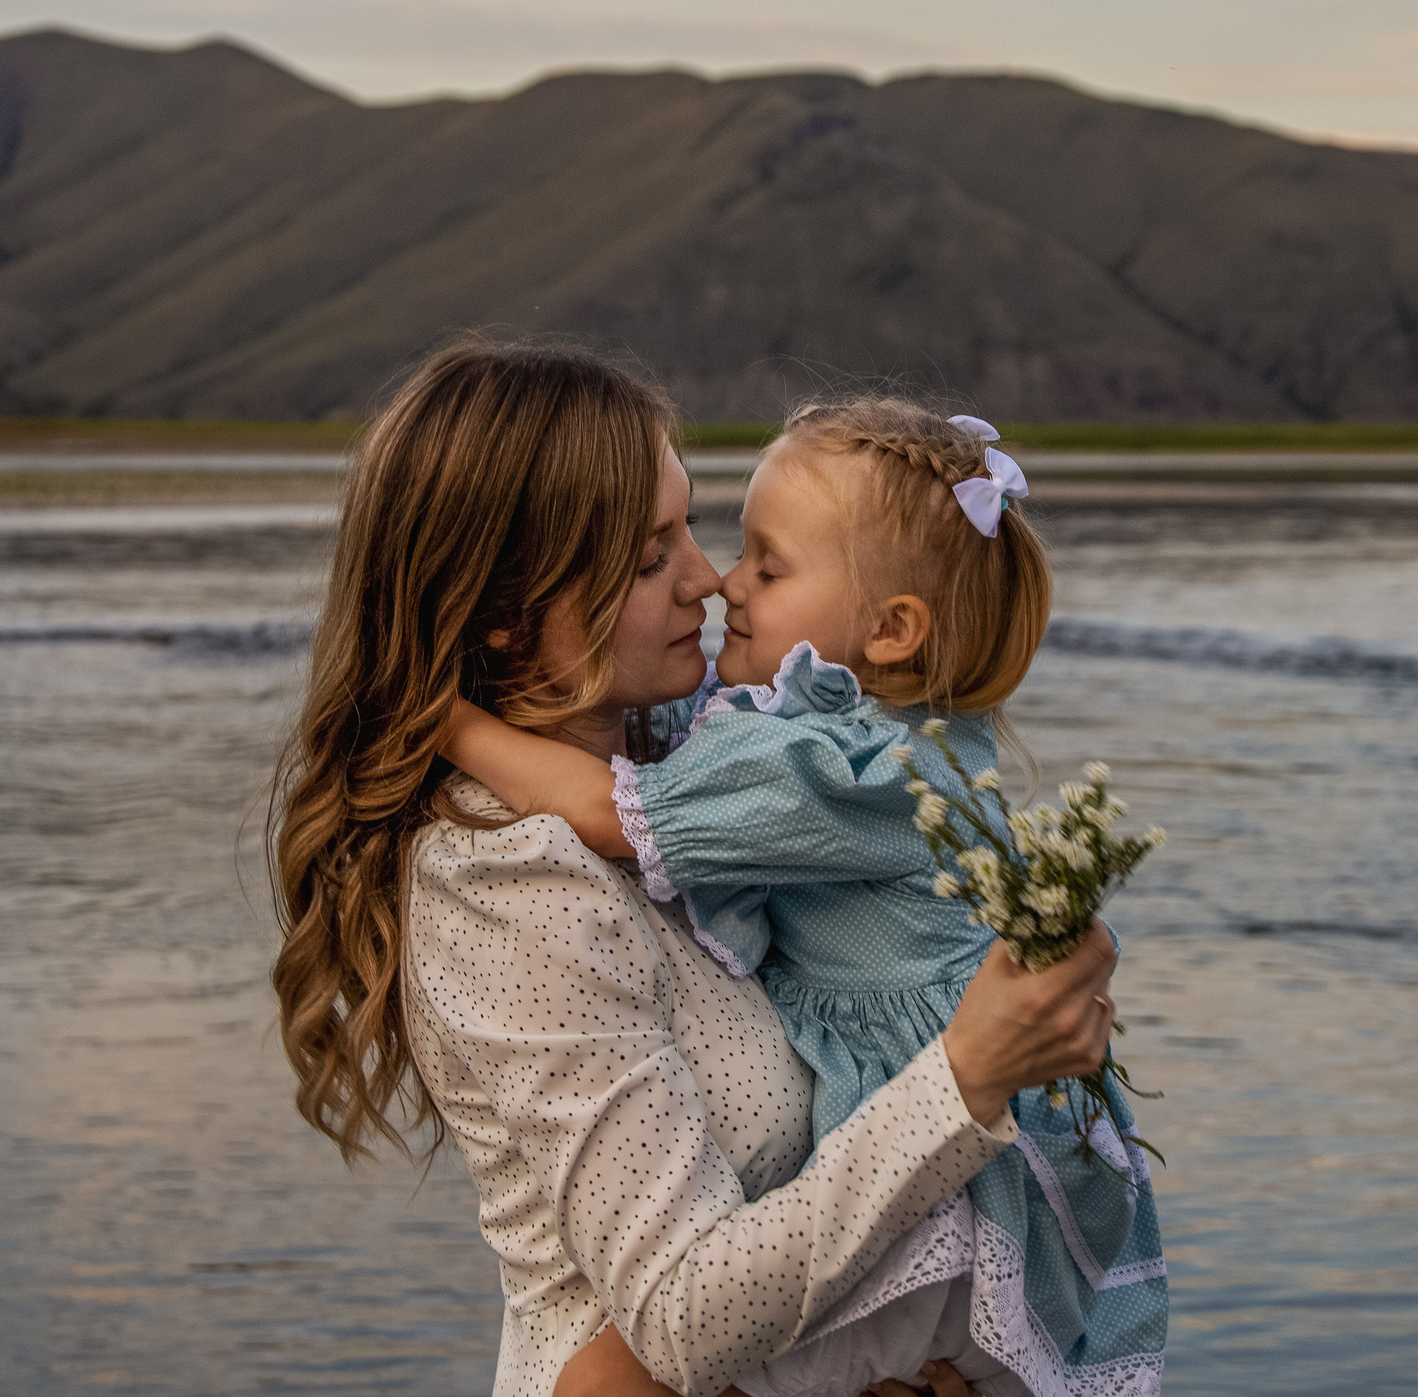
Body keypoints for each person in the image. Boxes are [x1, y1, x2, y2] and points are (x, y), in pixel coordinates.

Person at [268, 338, 1124, 1397]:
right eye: (645, 560)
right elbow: (679, 1316)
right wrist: (969, 1076)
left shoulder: (694, 750)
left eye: (689, 528)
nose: (707, 580)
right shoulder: (507, 888)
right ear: (502, 615)